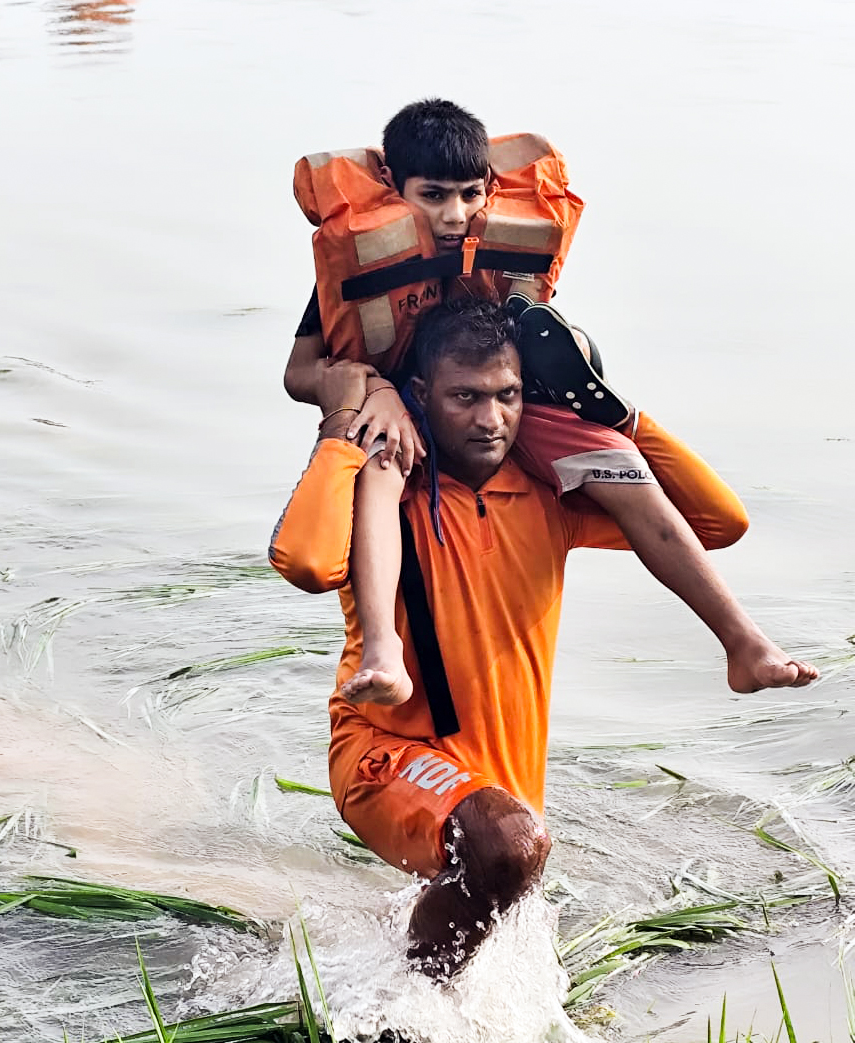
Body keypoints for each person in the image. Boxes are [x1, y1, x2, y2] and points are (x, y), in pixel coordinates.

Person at [270, 298, 818, 979]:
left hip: (501, 775)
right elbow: (305, 562)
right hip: (385, 754)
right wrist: (344, 426)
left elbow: (714, 523)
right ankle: (401, 1011)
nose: (489, 419)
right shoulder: (389, 493)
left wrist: (618, 423)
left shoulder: (548, 499)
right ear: (422, 395)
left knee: (502, 860)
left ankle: (385, 983)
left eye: (507, 396)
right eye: (465, 397)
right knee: (504, 847)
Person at [285, 99, 770, 710]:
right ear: (392, 183)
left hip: (510, 403)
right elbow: (299, 373)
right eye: (432, 196)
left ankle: (743, 642)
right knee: (384, 467)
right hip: (401, 404)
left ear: (490, 187)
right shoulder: (360, 256)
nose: (454, 215)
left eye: (469, 195)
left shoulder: (505, 240)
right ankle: (384, 650)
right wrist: (370, 388)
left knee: (618, 461)